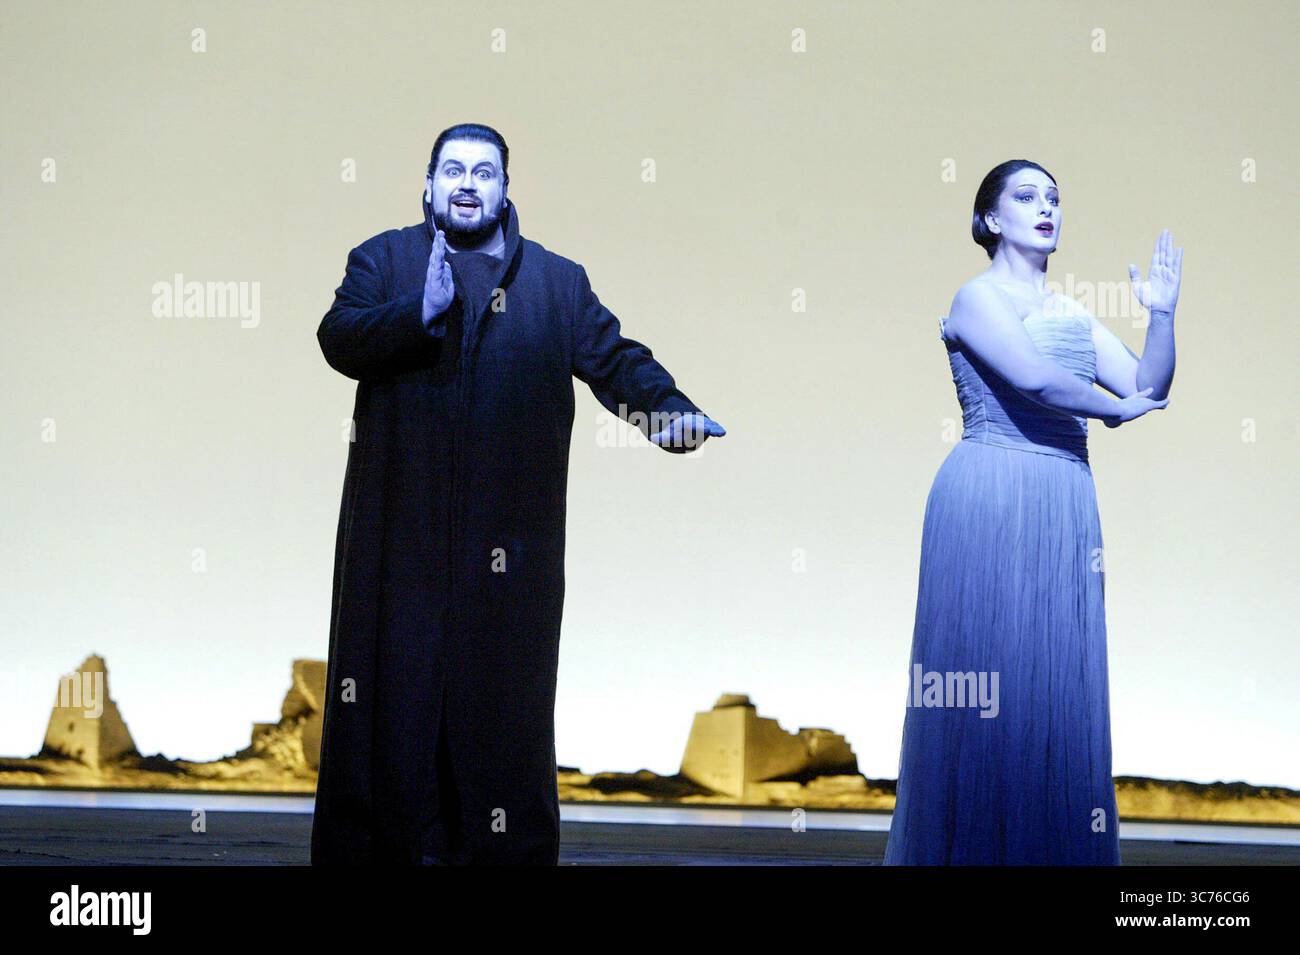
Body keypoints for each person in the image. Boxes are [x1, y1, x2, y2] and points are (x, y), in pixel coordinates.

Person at [310, 123, 725, 865]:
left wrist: (667, 414)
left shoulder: (557, 283)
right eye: (453, 170)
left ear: (507, 189)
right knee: (391, 708)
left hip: (510, 552)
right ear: (428, 186)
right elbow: (339, 337)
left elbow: (615, 361)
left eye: (486, 172)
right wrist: (419, 313)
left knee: (502, 715)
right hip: (397, 541)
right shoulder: (382, 259)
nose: (468, 183)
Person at [883, 160, 1180, 865]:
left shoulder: (1073, 313)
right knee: (985, 676)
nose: (1046, 207)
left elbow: (1151, 381)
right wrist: (1119, 409)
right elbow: (1033, 377)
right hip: (991, 488)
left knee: (1053, 684)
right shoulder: (976, 297)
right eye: (1026, 196)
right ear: (989, 220)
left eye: (1054, 198)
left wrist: (1161, 313)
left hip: (1064, 495)